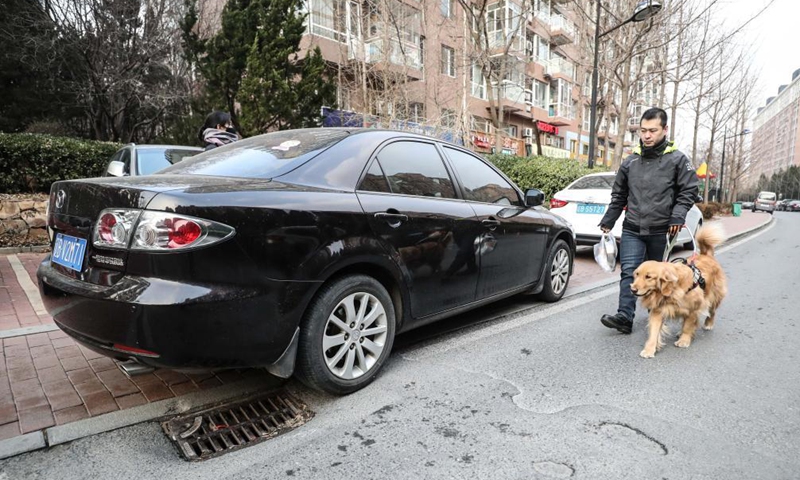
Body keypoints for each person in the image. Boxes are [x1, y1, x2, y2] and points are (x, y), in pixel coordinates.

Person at [598, 107, 699, 334]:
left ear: (665, 129)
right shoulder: (631, 161)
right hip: (633, 227)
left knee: (660, 277)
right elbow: (619, 194)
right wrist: (609, 220)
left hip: (662, 230)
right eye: (643, 131)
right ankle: (624, 317)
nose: (647, 135)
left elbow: (689, 191)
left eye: (652, 130)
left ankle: (658, 317)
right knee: (630, 272)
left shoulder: (678, 159)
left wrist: (677, 216)